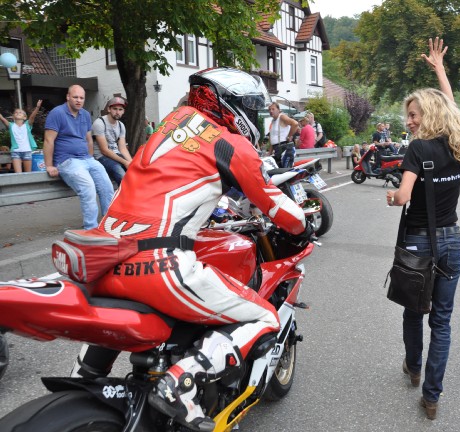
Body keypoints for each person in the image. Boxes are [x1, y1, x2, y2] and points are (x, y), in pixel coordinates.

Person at [69, 68, 310, 431]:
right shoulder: (230, 144)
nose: (255, 117)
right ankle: (180, 386)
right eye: (252, 108)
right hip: (158, 267)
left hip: (104, 262)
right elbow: (280, 209)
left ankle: (79, 384)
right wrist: (304, 224)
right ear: (233, 106)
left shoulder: (167, 127)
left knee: (111, 326)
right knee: (264, 318)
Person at [386, 37, 460, 421]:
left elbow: (403, 196)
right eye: (408, 116)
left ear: (429, 115)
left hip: (419, 244)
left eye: (414, 115)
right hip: (451, 242)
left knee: (413, 311)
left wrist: (391, 197)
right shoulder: (457, 144)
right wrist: (439, 70)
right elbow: (450, 105)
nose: (409, 121)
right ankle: (432, 397)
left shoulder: (418, 150)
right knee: (442, 321)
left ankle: (413, 366)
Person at [44, 85, 114, 230]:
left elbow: (89, 140)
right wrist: (49, 165)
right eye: (75, 97)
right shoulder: (57, 113)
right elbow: (48, 140)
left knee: (107, 186)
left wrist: (90, 159)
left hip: (87, 159)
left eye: (81, 98)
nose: (78, 100)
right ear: (68, 97)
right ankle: (91, 229)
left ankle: (108, 225)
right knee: (88, 188)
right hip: (67, 161)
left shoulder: (85, 114)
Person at [92, 97, 132, 186]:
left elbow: (123, 149)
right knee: (121, 174)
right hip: (101, 157)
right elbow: (104, 150)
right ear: (109, 109)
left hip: (116, 154)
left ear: (123, 111)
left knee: (134, 172)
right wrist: (125, 162)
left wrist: (131, 163)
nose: (117, 112)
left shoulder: (121, 125)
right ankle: (124, 194)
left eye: (120, 109)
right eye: (115, 109)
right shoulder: (99, 123)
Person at [0, 100, 42, 173]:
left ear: (25, 117)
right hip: (15, 152)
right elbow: (3, 119)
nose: (18, 113)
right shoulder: (11, 125)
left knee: (28, 173)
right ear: (13, 117)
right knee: (18, 174)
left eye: (20, 112)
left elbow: (32, 117)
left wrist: (37, 107)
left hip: (27, 151)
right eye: (16, 112)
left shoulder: (27, 125)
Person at [268, 102, 299, 167]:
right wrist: (269, 152)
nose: (271, 111)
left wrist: (289, 136)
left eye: (273, 109)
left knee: (286, 170)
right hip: (278, 149)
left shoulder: (282, 117)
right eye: (269, 109)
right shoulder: (273, 121)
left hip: (285, 148)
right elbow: (272, 138)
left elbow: (295, 124)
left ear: (278, 110)